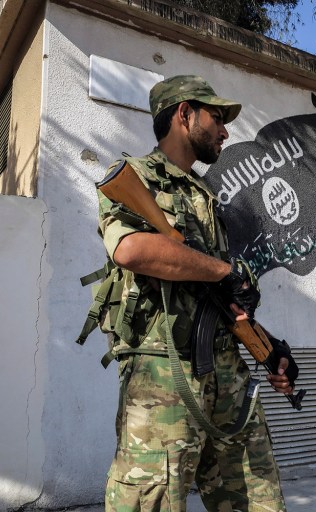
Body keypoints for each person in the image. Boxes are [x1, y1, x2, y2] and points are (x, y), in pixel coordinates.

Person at [96, 75, 295, 512]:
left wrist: (269, 348)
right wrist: (224, 271)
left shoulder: (204, 193)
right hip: (164, 378)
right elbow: (130, 249)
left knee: (260, 502)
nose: (225, 131)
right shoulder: (136, 180)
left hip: (226, 375)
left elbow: (216, 298)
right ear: (185, 115)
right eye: (217, 118)